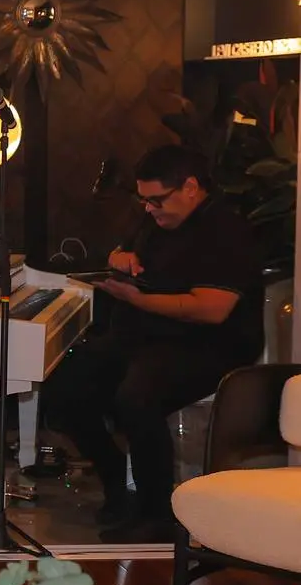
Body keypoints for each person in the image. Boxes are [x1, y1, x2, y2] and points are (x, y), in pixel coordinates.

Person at [41, 143, 265, 544]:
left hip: (209, 345)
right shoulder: (157, 219)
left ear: (191, 188)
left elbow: (211, 309)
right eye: (143, 200)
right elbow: (124, 249)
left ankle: (156, 513)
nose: (148, 208)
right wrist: (120, 257)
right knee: (63, 385)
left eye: (156, 200)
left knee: (137, 396)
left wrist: (137, 299)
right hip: (146, 334)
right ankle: (114, 477)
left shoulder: (226, 232)